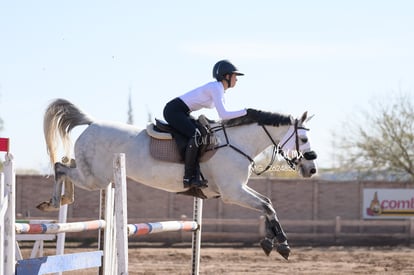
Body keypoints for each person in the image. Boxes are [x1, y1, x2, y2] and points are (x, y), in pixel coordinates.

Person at [163, 60, 247, 189]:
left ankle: (196, 176)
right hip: (173, 111)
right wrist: (246, 112)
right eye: (235, 76)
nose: (237, 79)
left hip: (182, 111)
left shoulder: (220, 90)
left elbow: (225, 116)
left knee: (202, 134)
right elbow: (224, 115)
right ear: (227, 76)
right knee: (196, 136)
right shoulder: (216, 88)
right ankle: (188, 178)